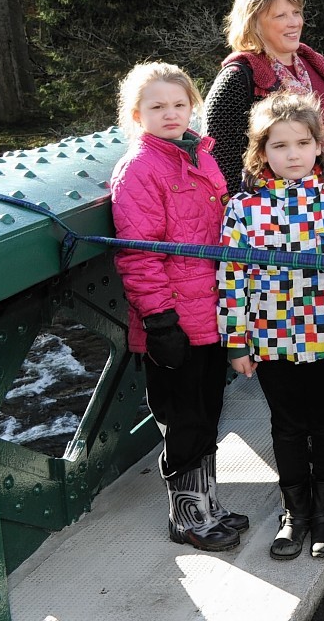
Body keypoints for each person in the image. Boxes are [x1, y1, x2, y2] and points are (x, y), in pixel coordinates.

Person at [218, 92, 324, 561]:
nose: (293, 154)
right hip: (271, 336)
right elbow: (231, 277)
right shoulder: (242, 209)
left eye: (302, 143)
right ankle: (295, 514)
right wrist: (236, 341)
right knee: (285, 427)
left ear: (319, 146)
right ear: (261, 152)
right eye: (280, 145)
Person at [110, 63, 246, 552]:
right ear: (136, 114)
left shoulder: (199, 156)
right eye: (157, 106)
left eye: (179, 104)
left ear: (193, 106)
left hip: (209, 314)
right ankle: (186, 517)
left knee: (208, 410)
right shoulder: (140, 168)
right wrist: (159, 321)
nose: (170, 113)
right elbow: (139, 253)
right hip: (173, 321)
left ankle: (206, 504)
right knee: (184, 418)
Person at [202, 0, 324, 203]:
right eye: (280, 15)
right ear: (254, 22)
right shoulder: (238, 78)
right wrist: (241, 215)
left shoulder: (322, 68)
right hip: (271, 217)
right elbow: (221, 162)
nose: (294, 22)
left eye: (296, 12)